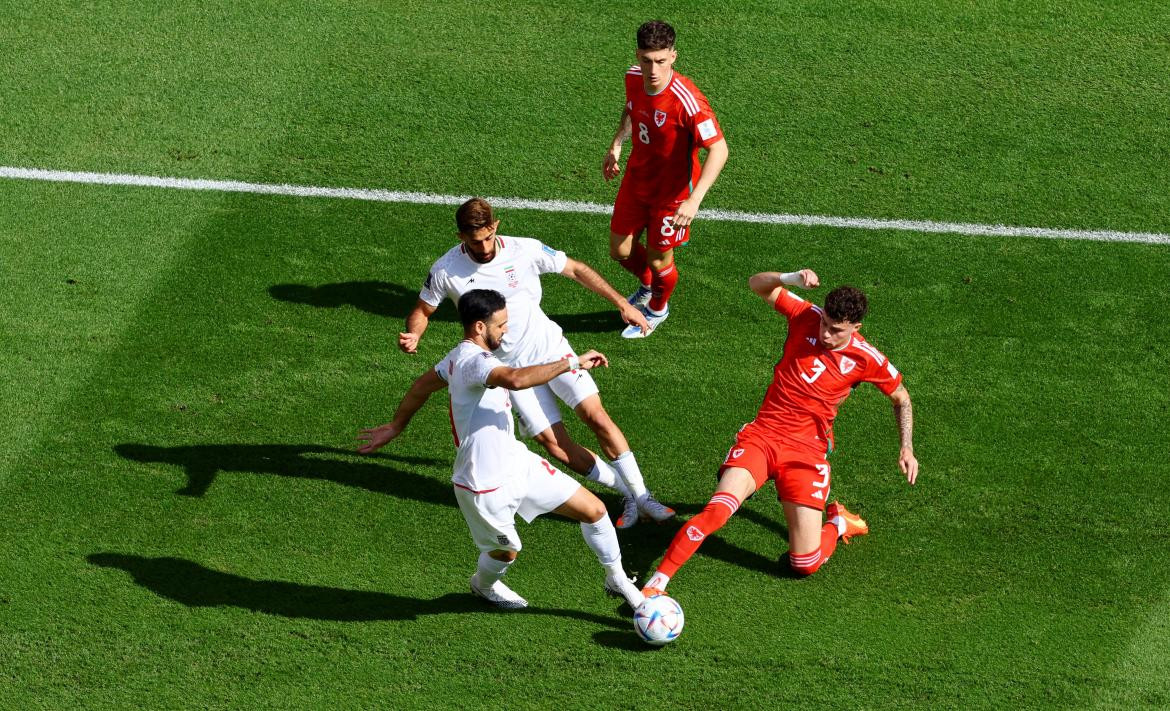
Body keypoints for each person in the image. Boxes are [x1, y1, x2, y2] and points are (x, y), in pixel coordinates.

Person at [359, 289, 646, 610]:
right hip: (481, 484)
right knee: (506, 552)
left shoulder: (457, 357)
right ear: (480, 327)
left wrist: (395, 426)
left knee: (594, 511)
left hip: (517, 463)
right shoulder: (474, 362)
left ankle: (616, 578)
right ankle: (483, 584)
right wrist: (571, 362)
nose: (507, 330)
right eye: (501, 325)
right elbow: (514, 379)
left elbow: (421, 386)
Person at [399, 197, 674, 529]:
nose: (484, 247)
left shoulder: (524, 250)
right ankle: (626, 492)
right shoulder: (446, 270)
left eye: (488, 237)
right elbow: (423, 310)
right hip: (510, 373)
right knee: (555, 446)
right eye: (475, 241)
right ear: (460, 237)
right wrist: (414, 334)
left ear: (495, 226)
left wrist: (621, 303)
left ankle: (644, 496)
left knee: (595, 416)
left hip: (550, 349)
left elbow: (575, 269)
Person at [641, 269, 919, 595]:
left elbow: (901, 397)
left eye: (836, 330)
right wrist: (789, 278)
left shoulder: (867, 358)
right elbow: (755, 283)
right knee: (717, 510)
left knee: (805, 564)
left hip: (807, 453)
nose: (826, 334)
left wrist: (906, 447)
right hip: (763, 437)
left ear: (856, 328)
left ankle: (839, 521)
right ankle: (656, 585)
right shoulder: (805, 315)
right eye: (825, 324)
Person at [602, 20, 729, 338]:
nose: (653, 69)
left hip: (672, 195)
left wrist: (694, 200)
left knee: (660, 261)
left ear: (673, 56)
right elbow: (631, 109)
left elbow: (719, 149)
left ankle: (658, 308)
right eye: (646, 60)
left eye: (660, 60)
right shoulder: (634, 77)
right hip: (637, 181)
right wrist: (618, 142)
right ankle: (646, 286)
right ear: (638, 55)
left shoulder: (688, 100)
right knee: (619, 250)